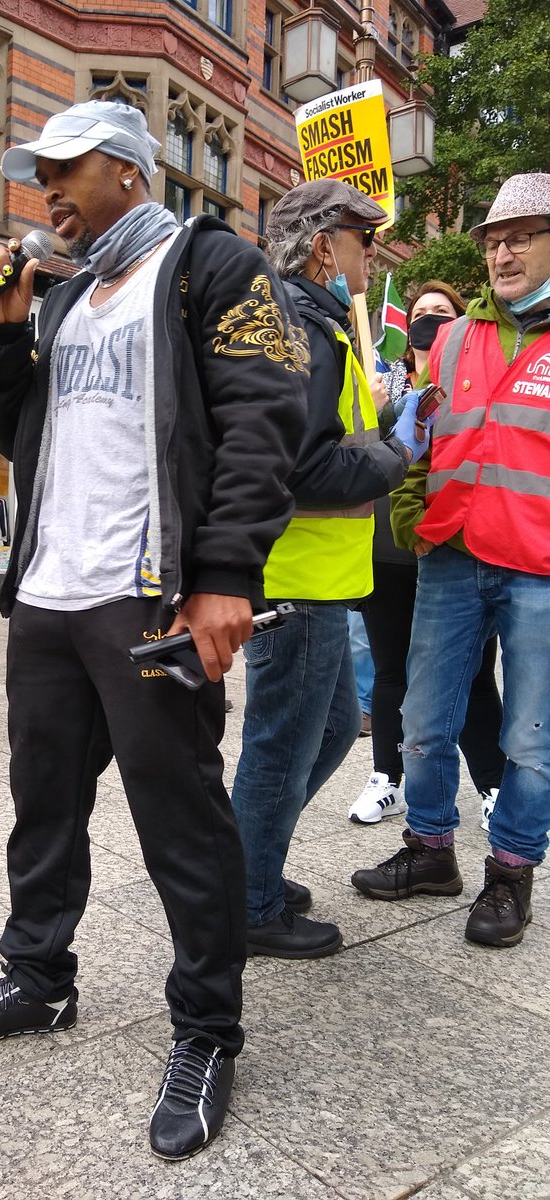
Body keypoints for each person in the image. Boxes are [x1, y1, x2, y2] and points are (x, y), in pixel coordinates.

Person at [0, 100, 308, 1161]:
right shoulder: (64, 294)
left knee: (182, 821)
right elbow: (24, 437)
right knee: (40, 800)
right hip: (51, 590)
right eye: (36, 171)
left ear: (131, 171)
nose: (44, 188)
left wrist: (224, 574)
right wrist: (1, 337)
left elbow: (262, 423)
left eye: (66, 168)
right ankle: (40, 976)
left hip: (147, 595)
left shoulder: (212, 267)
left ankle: (206, 1032)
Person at [229, 179, 428, 961]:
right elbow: (308, 470)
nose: (372, 256)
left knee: (336, 727)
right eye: (363, 239)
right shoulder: (303, 331)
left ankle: (251, 857)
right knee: (280, 748)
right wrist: (401, 448)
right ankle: (246, 899)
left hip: (314, 581)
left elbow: (320, 440)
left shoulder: (311, 323)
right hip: (300, 583)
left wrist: (378, 419)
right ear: (323, 246)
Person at [351, 172, 550, 948]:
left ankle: (510, 875)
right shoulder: (456, 338)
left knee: (530, 737)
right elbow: (420, 441)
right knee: (425, 721)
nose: (502, 253)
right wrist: (414, 516)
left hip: (538, 569)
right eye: (494, 241)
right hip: (452, 556)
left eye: (521, 238)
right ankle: (430, 850)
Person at [349, 281, 505, 825]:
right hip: (391, 553)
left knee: (475, 675)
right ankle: (386, 778)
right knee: (391, 672)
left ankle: (492, 786)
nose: (429, 323)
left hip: (457, 552)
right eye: (420, 315)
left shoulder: (479, 383)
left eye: (442, 314)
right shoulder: (380, 386)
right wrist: (372, 410)